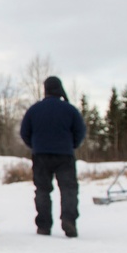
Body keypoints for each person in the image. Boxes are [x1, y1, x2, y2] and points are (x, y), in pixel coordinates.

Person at [19, 76, 87, 237]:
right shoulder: (69, 109)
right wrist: (72, 145)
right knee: (68, 189)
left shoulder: (35, 110)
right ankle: (69, 221)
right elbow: (80, 131)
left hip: (41, 155)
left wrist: (35, 146)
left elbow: (24, 132)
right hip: (64, 155)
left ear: (46, 90)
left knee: (42, 190)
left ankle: (43, 225)